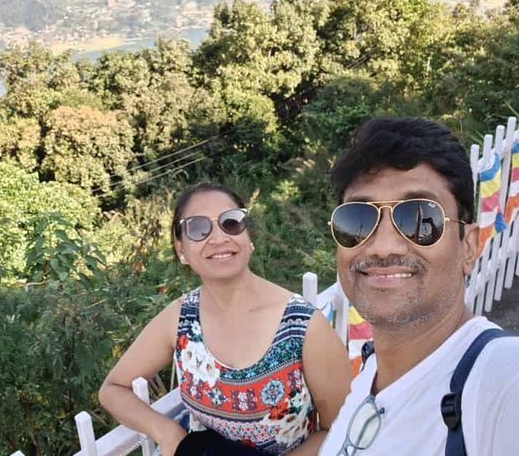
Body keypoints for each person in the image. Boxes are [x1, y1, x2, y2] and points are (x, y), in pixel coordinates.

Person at [99, 182, 351, 456]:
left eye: (231, 222)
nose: (218, 237)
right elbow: (113, 389)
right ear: (180, 248)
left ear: (248, 237)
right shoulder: (181, 319)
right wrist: (168, 432)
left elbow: (339, 427)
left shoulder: (303, 327)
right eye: (198, 228)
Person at [318, 117, 519, 456]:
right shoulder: (369, 375)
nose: (383, 246)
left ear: (468, 247)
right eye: (358, 219)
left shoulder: (498, 381)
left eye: (419, 218)